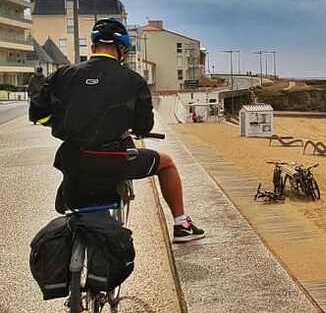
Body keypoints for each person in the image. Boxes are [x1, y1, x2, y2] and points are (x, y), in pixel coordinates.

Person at [29, 18, 205, 243]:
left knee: (76, 168)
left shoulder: (63, 74)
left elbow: (37, 113)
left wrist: (56, 122)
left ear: (93, 47)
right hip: (115, 159)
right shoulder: (133, 80)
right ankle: (182, 225)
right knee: (167, 163)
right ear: (122, 50)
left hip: (73, 157)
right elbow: (144, 126)